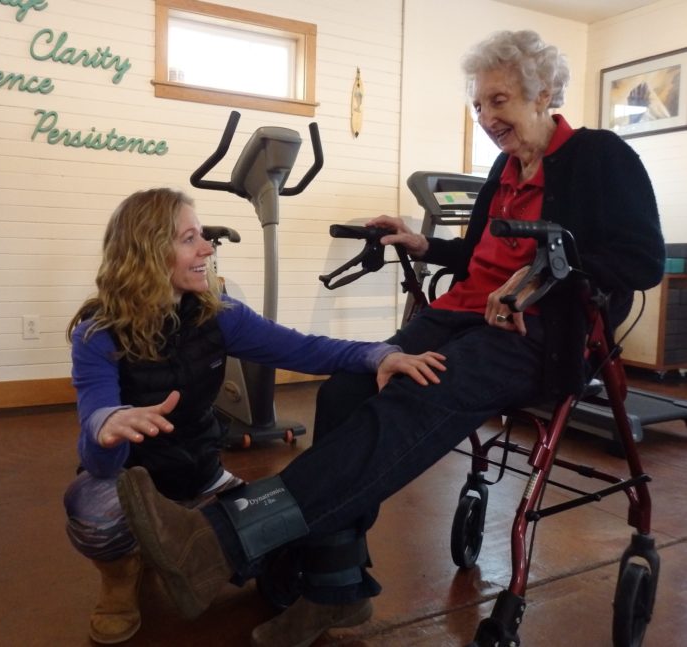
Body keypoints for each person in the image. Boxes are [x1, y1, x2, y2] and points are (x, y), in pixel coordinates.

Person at [114, 30, 666, 647]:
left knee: (409, 401)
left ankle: (217, 541)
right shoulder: (506, 167)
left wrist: (538, 280)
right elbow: (482, 253)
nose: (486, 118)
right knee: (347, 389)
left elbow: (641, 262)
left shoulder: (601, 157)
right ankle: (335, 590)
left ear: (542, 94)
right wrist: (426, 244)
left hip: (534, 332)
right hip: (457, 314)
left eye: (499, 101)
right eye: (479, 105)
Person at [63, 187, 447, 644]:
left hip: (200, 475)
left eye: (202, 236)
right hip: (129, 481)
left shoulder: (218, 314)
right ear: (147, 252)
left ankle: (203, 545)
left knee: (281, 530)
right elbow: (99, 448)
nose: (207, 247)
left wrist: (380, 355)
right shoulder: (98, 335)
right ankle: (121, 581)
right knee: (90, 508)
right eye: (189, 239)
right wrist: (107, 430)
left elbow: (305, 347)